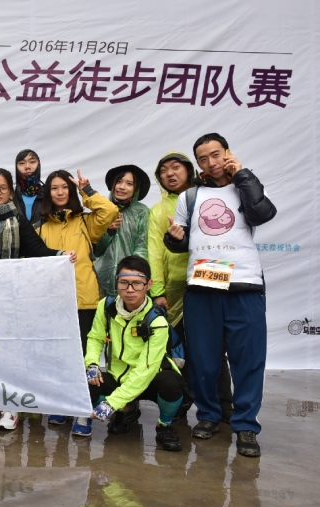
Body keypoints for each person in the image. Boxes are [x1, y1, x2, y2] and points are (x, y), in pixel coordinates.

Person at [165, 133, 276, 457]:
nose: (211, 162)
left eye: (216, 154)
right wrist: (174, 238)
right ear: (198, 163)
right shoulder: (190, 196)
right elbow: (181, 241)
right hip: (203, 286)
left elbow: (263, 213)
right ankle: (209, 415)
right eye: (203, 158)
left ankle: (246, 425)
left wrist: (242, 175)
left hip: (244, 285)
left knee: (249, 360)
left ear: (227, 153)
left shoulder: (246, 185)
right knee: (203, 359)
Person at [0, 168, 75, 430]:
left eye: (3, 188)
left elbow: (36, 250)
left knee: (10, 352)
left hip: (10, 298)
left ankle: (12, 407)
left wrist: (59, 255)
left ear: (10, 192)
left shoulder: (18, 220)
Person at [148, 151, 234, 421]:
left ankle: (224, 405)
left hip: (208, 282)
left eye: (176, 167)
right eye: (164, 171)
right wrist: (157, 292)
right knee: (178, 351)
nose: (170, 174)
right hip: (173, 292)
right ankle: (182, 401)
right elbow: (153, 252)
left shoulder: (207, 198)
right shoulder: (157, 211)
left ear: (189, 170)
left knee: (213, 348)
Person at [36, 169, 119, 428]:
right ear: (48, 193)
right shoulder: (39, 227)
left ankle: (84, 409)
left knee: (86, 356)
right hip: (54, 303)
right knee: (60, 356)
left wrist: (87, 190)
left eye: (65, 187)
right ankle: (63, 405)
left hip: (85, 300)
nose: (60, 192)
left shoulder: (85, 222)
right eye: (54, 188)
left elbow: (110, 211)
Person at [82, 256, 186, 452]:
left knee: (171, 385)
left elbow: (145, 370)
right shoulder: (106, 306)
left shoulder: (157, 321)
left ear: (148, 285)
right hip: (118, 375)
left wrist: (111, 403)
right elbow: (95, 337)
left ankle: (164, 425)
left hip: (150, 378)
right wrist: (92, 364)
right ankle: (128, 410)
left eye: (137, 283)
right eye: (124, 282)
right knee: (87, 386)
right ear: (116, 283)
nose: (130, 290)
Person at [93, 164, 151, 297]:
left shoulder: (142, 212)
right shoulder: (101, 209)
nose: (122, 187)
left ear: (136, 188)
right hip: (100, 279)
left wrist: (132, 275)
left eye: (129, 184)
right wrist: (109, 231)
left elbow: (142, 247)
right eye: (119, 181)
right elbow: (96, 250)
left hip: (130, 282)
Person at [13, 149, 44, 225]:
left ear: (38, 164)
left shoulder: (49, 194)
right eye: (22, 163)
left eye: (32, 162)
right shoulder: (10, 196)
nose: (27, 166)